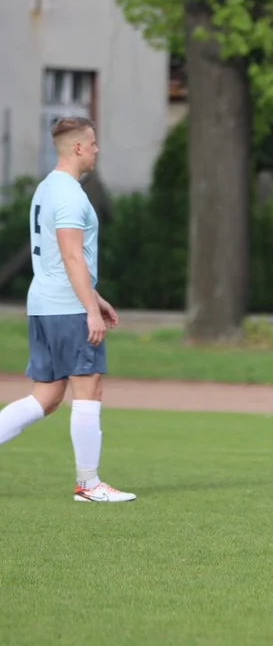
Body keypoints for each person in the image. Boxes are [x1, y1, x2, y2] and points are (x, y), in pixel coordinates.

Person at [0, 117, 135, 503]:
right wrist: (89, 309)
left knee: (46, 397)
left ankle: (88, 484)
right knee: (89, 386)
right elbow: (72, 255)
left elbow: (66, 261)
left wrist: (96, 298)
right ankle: (88, 485)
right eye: (92, 143)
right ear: (77, 148)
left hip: (44, 304)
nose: (96, 149)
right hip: (66, 308)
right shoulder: (71, 195)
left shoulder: (46, 188)